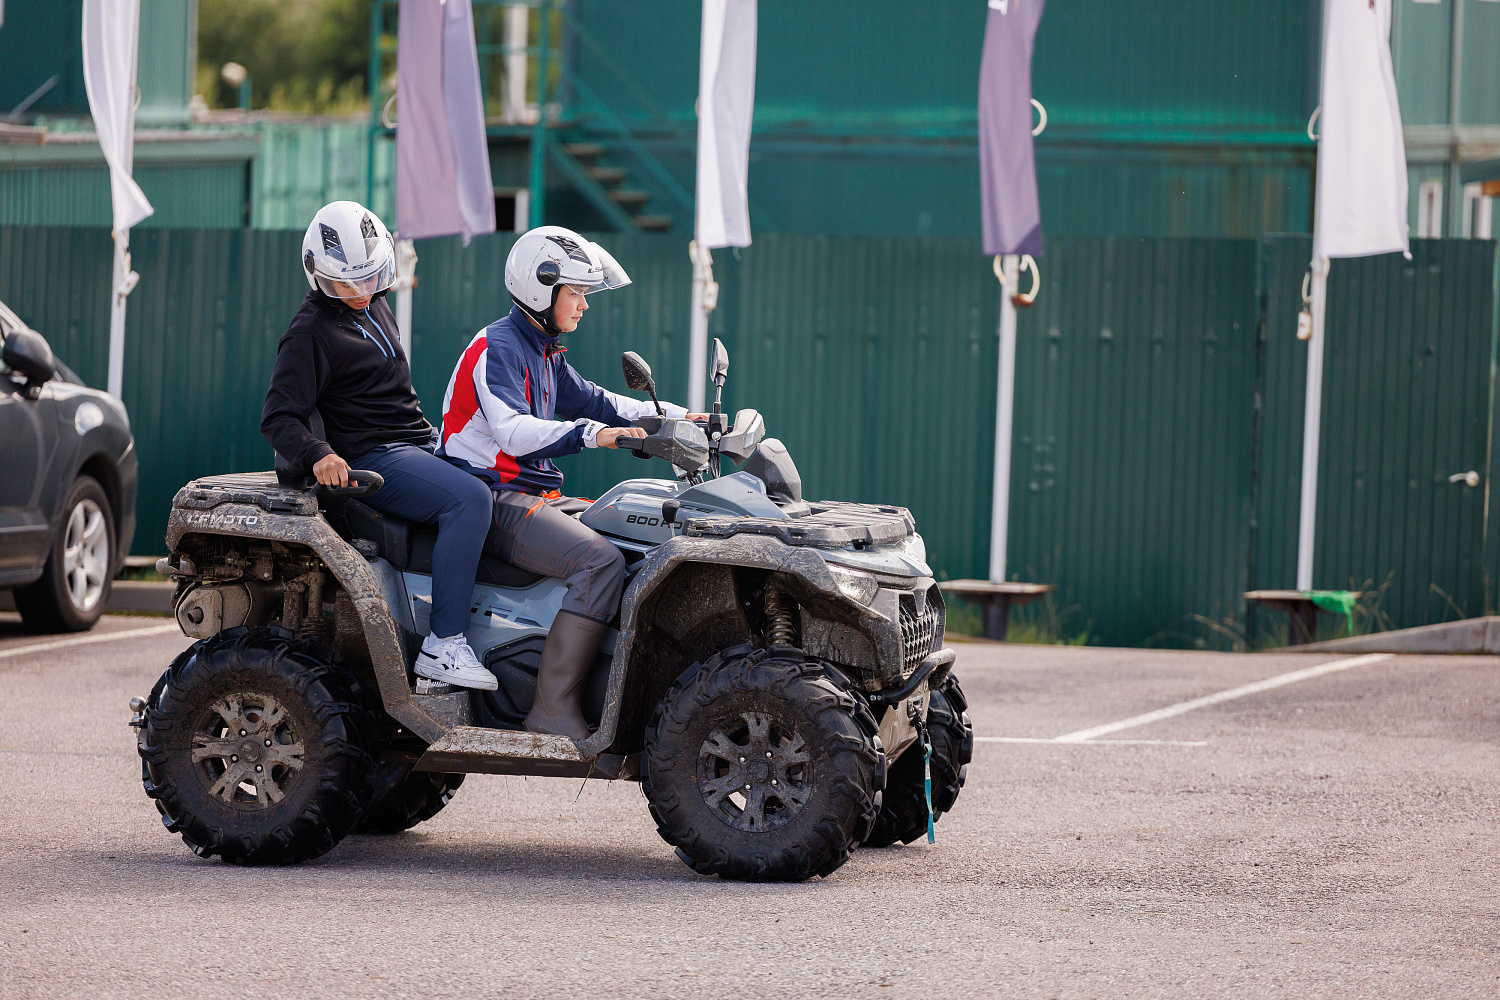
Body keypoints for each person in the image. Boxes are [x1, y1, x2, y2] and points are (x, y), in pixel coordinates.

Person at [439, 226, 703, 741]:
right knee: (599, 560)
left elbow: (602, 402)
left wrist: (681, 418)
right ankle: (553, 709)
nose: (584, 304)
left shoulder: (541, 349)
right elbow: (514, 433)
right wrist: (592, 436)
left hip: (529, 493)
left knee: (629, 537)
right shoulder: (497, 346)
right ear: (542, 289)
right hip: (490, 497)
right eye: (577, 293)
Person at [261, 201, 498, 692]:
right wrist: (320, 454)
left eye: (372, 278)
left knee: (501, 473)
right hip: (374, 457)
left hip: (417, 442)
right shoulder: (309, 334)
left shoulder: (372, 302)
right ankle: (443, 646)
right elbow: (278, 417)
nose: (363, 291)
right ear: (319, 275)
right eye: (348, 284)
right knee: (469, 498)